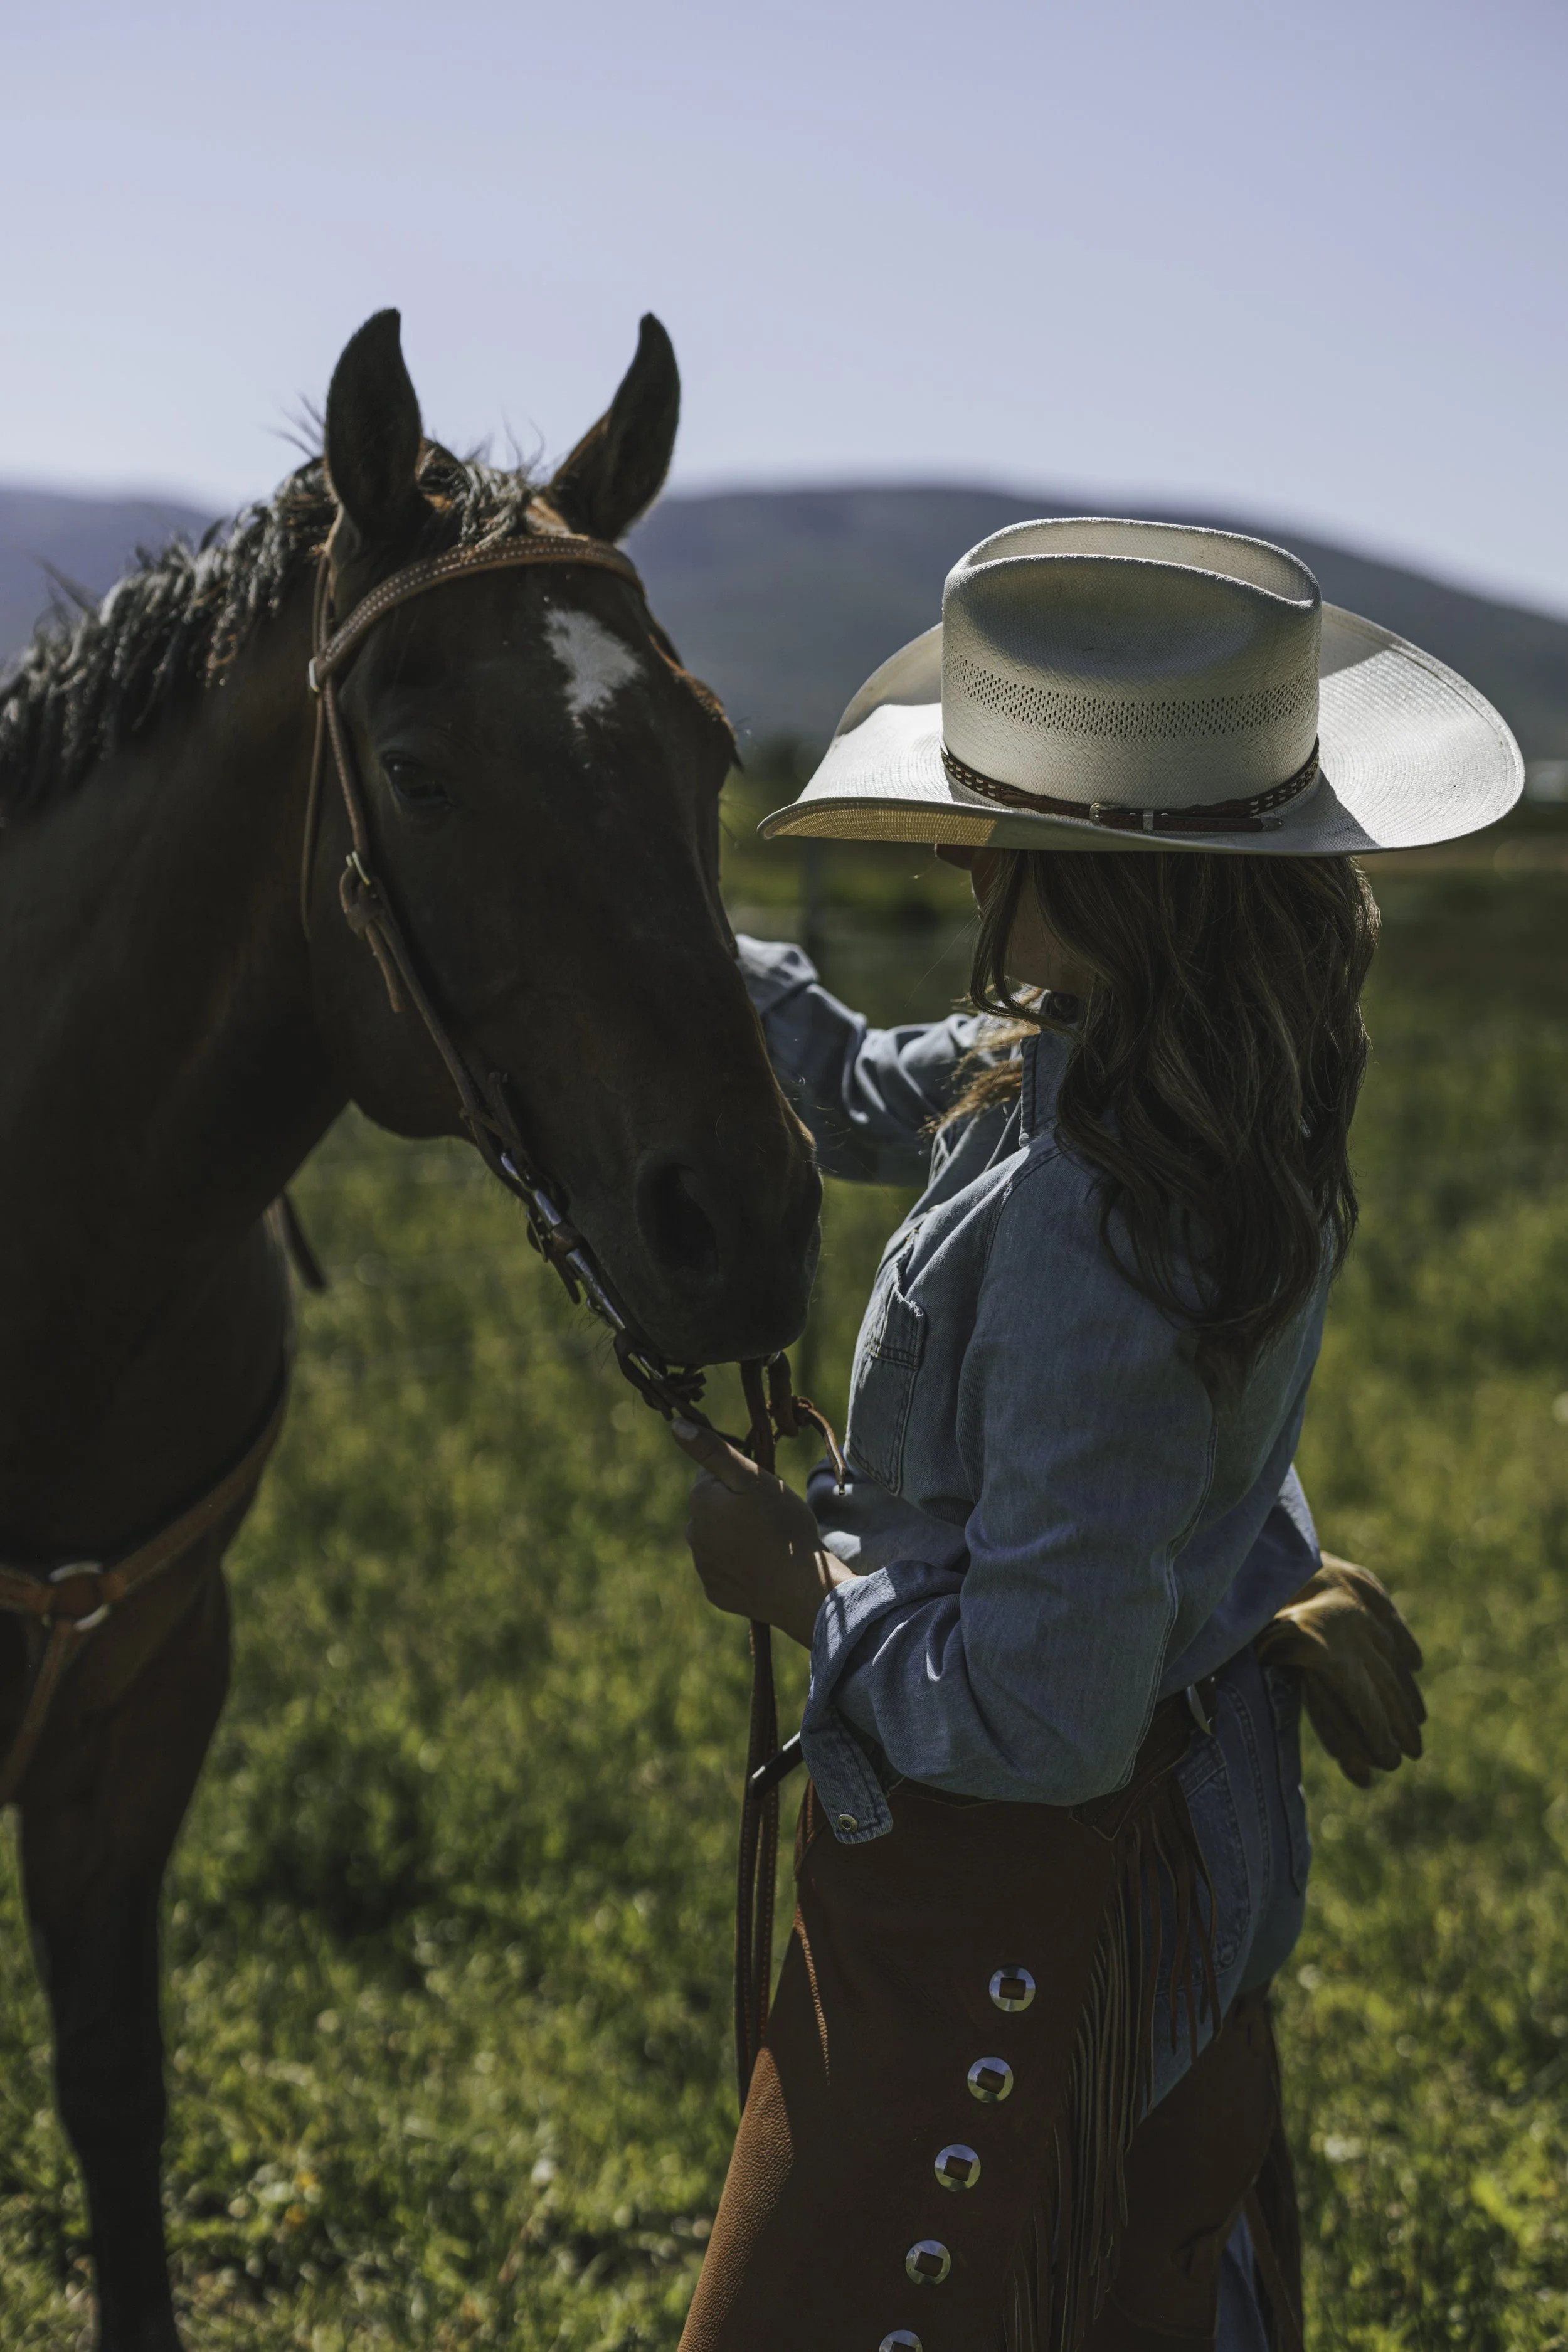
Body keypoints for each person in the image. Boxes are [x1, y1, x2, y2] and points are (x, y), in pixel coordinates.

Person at [670, 519, 1519, 2351]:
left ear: (1087, 868)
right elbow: (866, 1081)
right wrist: (663, 936)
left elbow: (1047, 1719)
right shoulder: (1139, 1057)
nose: (972, 852)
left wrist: (799, 1586)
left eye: (1002, 825)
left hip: (1047, 1872)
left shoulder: (1096, 1211)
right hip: (1165, 1828)